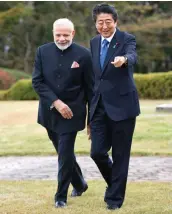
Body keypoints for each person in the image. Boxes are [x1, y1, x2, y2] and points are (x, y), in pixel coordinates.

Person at [32, 18, 94, 208]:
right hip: (49, 112)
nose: (61, 38)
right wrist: (56, 102)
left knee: (64, 154)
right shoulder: (42, 51)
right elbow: (38, 82)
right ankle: (80, 183)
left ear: (73, 34)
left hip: (72, 113)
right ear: (53, 33)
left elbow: (91, 89)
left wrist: (91, 119)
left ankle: (61, 196)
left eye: (66, 35)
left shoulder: (84, 55)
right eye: (58, 35)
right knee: (63, 152)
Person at [89, 3, 140, 210]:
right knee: (97, 152)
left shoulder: (126, 39)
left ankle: (114, 199)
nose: (104, 26)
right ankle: (116, 186)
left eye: (108, 22)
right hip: (99, 106)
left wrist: (124, 60)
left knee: (120, 155)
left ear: (115, 22)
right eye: (100, 22)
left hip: (123, 106)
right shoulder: (93, 43)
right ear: (95, 24)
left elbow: (133, 55)